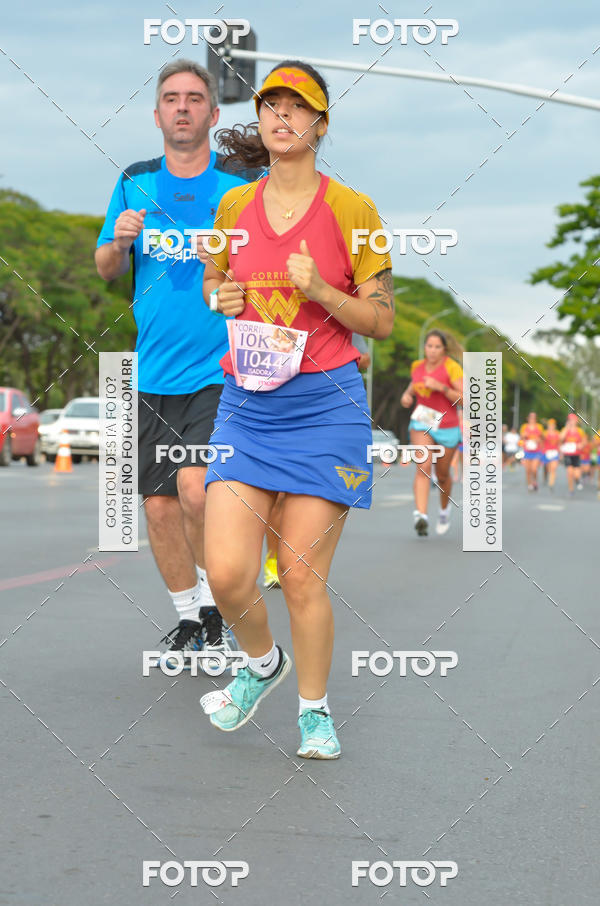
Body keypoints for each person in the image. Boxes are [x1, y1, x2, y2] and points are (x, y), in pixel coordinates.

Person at [199, 60, 394, 759]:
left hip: (325, 407)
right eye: (270, 105)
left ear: (320, 123)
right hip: (247, 408)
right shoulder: (232, 207)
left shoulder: (353, 210)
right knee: (226, 573)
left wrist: (325, 294)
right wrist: (216, 296)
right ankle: (262, 666)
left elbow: (381, 320)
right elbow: (216, 279)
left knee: (301, 574)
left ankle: (315, 711)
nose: (282, 117)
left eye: (297, 107)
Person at [95, 60, 260, 664]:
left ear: (214, 116)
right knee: (159, 506)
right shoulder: (134, 182)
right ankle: (193, 618)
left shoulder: (237, 187)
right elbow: (107, 268)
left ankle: (227, 606)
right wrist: (119, 237)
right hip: (153, 371)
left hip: (220, 369)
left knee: (195, 489)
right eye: (172, 99)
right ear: (158, 114)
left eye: (195, 98)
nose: (183, 107)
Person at [400, 330, 463, 536]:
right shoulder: (417, 366)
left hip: (448, 425)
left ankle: (444, 510)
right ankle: (421, 515)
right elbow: (413, 385)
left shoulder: (451, 368)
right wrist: (407, 396)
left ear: (444, 349)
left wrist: (442, 388)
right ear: (424, 347)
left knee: (443, 475)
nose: (433, 350)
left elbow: (465, 400)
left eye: (437, 347)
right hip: (423, 421)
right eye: (429, 346)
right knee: (424, 466)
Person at [560, 412, 585, 496]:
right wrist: (567, 428)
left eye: (573, 420)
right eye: (570, 420)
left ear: (576, 421)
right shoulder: (565, 430)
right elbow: (561, 438)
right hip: (568, 454)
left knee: (576, 474)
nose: (571, 422)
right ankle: (571, 490)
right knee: (570, 473)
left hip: (576, 454)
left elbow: (584, 442)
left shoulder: (580, 431)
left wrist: (581, 445)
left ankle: (578, 480)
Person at [519, 412, 544, 491]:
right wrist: (523, 435)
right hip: (527, 451)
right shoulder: (524, 426)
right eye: (531, 417)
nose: (532, 419)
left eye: (534, 418)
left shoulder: (539, 427)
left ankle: (535, 481)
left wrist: (538, 439)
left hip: (536, 451)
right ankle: (529, 485)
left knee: (534, 469)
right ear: (528, 418)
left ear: (536, 419)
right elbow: (521, 439)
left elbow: (543, 438)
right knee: (528, 470)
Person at [543, 418, 560, 491]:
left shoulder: (557, 433)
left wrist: (560, 452)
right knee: (548, 468)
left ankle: (551, 484)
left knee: (553, 468)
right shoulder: (545, 433)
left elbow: (559, 443)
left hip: (555, 452)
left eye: (553, 425)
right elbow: (541, 441)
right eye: (550, 425)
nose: (551, 426)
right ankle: (546, 476)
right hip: (546, 452)